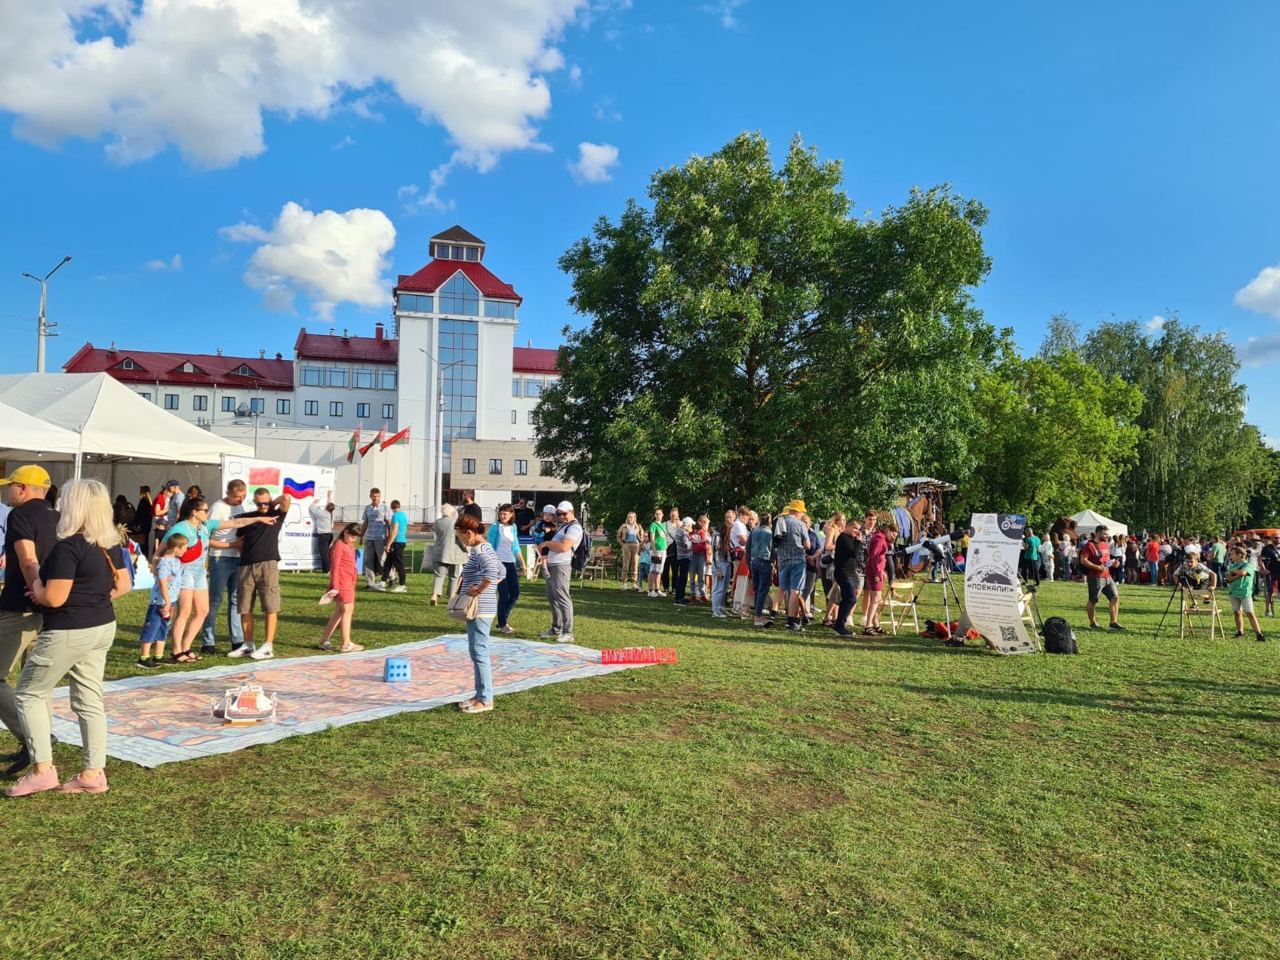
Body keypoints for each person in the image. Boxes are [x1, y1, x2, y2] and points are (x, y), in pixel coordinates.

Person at [6, 478, 132, 798]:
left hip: (68, 629)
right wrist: (90, 600)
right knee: (89, 700)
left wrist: (36, 586)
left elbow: (54, 599)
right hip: (101, 625)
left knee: (29, 694)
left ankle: (43, 770)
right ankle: (93, 773)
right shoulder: (109, 543)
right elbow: (123, 587)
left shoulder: (69, 547)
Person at [163, 496, 276, 663]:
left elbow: (235, 523)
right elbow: (161, 550)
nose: (207, 513)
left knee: (202, 611)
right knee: (185, 611)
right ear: (195, 512)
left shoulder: (206, 525)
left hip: (200, 572)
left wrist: (258, 518)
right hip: (184, 571)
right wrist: (161, 571)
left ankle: (186, 647)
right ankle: (176, 650)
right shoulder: (180, 528)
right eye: (204, 510)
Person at [0, 465, 59, 778]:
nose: (8, 491)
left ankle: (33, 738)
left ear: (23, 488)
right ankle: (39, 745)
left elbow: (27, 559)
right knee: (38, 683)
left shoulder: (19, 515)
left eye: (12, 486)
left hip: (21, 606)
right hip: (52, 608)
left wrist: (36, 588)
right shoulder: (59, 516)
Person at [229, 488, 292, 660]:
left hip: (268, 564)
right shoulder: (246, 517)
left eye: (266, 502)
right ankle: (248, 644)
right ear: (254, 502)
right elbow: (238, 538)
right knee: (244, 606)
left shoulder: (276, 514)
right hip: (245, 565)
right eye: (259, 503)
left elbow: (286, 498)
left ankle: (268, 646)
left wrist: (272, 504)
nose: (263, 506)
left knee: (270, 606)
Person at [454, 512, 506, 713]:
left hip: (481, 608)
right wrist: (488, 587)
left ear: (468, 533)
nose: (459, 539)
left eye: (459, 536)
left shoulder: (480, 551)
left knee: (479, 652)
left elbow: (492, 574)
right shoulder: (486, 549)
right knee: (476, 652)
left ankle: (486, 699)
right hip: (480, 607)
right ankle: (479, 694)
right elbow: (501, 572)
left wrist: (480, 589)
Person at [203, 480, 248, 655]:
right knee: (214, 601)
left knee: (236, 600)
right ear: (228, 493)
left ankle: (237, 640)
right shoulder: (217, 508)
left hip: (238, 558)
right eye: (237, 496)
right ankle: (208, 641)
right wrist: (232, 546)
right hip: (220, 558)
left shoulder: (241, 508)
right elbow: (206, 537)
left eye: (243, 496)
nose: (240, 500)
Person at [137, 534, 186, 668]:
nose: (185, 551)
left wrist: (171, 601)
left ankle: (159, 655)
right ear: (176, 548)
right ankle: (143, 657)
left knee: (163, 628)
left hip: (171, 601)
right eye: (184, 548)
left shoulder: (177, 561)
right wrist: (167, 602)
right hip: (160, 602)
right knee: (152, 627)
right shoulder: (164, 563)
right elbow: (163, 584)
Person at [540, 501, 583, 643]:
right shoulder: (564, 526)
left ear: (572, 512)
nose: (561, 516)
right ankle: (556, 627)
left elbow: (564, 547)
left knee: (563, 598)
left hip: (561, 566)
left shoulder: (574, 528)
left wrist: (546, 544)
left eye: (564, 513)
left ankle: (568, 632)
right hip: (552, 565)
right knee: (553, 598)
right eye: (559, 514)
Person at [319, 524, 364, 653]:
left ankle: (324, 640)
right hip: (343, 584)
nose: (353, 539)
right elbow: (335, 567)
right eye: (352, 536)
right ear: (345, 532)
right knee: (347, 611)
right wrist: (335, 586)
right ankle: (346, 643)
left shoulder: (349, 545)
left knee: (339, 612)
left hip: (348, 582)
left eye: (356, 538)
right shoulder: (338, 546)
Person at [487, 503, 527, 635]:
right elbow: (490, 546)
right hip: (498, 563)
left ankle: (502, 618)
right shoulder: (495, 527)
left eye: (505, 513)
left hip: (510, 563)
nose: (503, 515)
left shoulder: (513, 527)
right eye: (501, 513)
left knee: (514, 594)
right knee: (504, 594)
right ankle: (502, 624)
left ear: (511, 515)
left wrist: (522, 563)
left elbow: (515, 546)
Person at [1080, 524, 1124, 631]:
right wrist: (1097, 567)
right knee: (1093, 600)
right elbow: (1083, 560)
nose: (1106, 536)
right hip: (1095, 577)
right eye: (1104, 534)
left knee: (1115, 597)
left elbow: (1106, 560)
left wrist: (1113, 564)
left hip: (1107, 576)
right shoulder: (1089, 545)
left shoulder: (1106, 544)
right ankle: (1093, 623)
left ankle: (1113, 623)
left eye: (1107, 534)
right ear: (1097, 533)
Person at [773, 500, 809, 632]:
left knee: (783, 588)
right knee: (795, 591)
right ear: (797, 512)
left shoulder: (780, 522)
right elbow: (808, 544)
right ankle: (791, 621)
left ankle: (773, 614)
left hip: (783, 561)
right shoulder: (800, 524)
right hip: (798, 560)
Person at [1224, 544, 1266, 642]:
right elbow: (1228, 578)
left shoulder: (1248, 565)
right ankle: (1240, 632)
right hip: (1233, 592)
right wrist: (1236, 573)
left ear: (1240, 555)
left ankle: (1259, 634)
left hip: (1245, 593)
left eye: (1232, 554)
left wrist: (1234, 572)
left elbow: (1243, 573)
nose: (1230, 556)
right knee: (1237, 612)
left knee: (1250, 613)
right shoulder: (1233, 565)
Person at [428, 504, 468, 605]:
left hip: (439, 552)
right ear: (451, 512)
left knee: (439, 575)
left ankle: (434, 595)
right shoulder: (455, 523)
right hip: (454, 554)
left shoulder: (437, 523)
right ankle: (451, 597)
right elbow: (459, 538)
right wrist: (466, 548)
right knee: (453, 576)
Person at [832, 517, 865, 638]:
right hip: (843, 573)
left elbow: (854, 554)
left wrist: (857, 541)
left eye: (858, 529)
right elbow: (854, 553)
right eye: (855, 528)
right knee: (851, 599)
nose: (856, 531)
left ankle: (839, 623)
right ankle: (840, 624)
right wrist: (859, 541)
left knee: (848, 599)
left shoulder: (851, 538)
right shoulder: (843, 538)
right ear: (848, 526)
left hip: (850, 573)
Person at [861, 519, 893, 635]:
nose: (894, 535)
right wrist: (876, 574)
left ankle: (875, 624)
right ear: (887, 530)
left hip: (878, 571)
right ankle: (868, 625)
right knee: (875, 600)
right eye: (893, 532)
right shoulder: (879, 538)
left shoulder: (880, 537)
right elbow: (873, 557)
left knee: (876, 599)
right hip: (875, 572)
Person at [359, 488, 392, 590]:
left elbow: (389, 524)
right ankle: (370, 583)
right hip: (369, 538)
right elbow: (365, 523)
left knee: (383, 560)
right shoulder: (367, 508)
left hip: (380, 538)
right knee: (368, 561)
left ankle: (391, 578)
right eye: (373, 496)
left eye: (377, 496)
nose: (375, 498)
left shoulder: (385, 508)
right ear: (370, 496)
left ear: (380, 496)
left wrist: (389, 538)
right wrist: (361, 535)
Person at [748, 511, 775, 627]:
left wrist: (749, 562)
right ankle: (758, 616)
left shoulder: (754, 531)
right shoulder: (770, 533)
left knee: (756, 588)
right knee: (763, 590)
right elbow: (773, 550)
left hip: (754, 560)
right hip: (765, 561)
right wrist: (774, 564)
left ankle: (757, 614)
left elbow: (747, 548)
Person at [711, 509, 736, 619]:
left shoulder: (731, 532)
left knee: (724, 588)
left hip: (727, 562)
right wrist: (717, 568)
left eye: (730, 517)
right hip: (720, 563)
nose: (728, 520)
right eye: (727, 517)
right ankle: (716, 610)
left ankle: (721, 608)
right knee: (719, 588)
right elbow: (715, 552)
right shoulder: (718, 534)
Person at [382, 499, 409, 592]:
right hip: (401, 541)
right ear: (399, 506)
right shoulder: (404, 515)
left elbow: (394, 531)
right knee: (388, 562)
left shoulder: (395, 516)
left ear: (391, 508)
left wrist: (388, 544)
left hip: (397, 542)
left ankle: (402, 585)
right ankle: (382, 582)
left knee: (399, 564)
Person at [150, 479, 183, 554]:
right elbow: (157, 512)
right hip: (160, 525)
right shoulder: (160, 498)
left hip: (165, 525)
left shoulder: (168, 499)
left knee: (162, 544)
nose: (171, 493)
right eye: (168, 490)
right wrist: (168, 510)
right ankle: (156, 558)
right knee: (160, 544)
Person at [310, 494, 336, 574]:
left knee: (323, 553)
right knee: (326, 552)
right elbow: (329, 504)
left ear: (327, 507)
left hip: (323, 535)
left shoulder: (322, 513)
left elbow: (312, 509)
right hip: (329, 534)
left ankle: (327, 570)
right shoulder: (330, 514)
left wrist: (314, 503)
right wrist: (329, 495)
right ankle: (328, 568)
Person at [616, 512, 642, 590]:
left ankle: (634, 583)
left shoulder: (638, 526)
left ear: (634, 518)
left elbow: (642, 536)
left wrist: (640, 544)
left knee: (635, 564)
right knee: (625, 564)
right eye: (628, 517)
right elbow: (618, 535)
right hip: (626, 545)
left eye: (631, 517)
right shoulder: (624, 526)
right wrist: (622, 544)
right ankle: (624, 583)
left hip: (635, 545)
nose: (629, 519)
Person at [646, 509, 668, 598]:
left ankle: (657, 589)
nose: (658, 515)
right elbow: (652, 539)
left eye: (659, 514)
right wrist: (654, 550)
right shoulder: (653, 525)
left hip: (663, 550)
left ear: (662, 515)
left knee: (659, 570)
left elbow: (664, 538)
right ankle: (650, 590)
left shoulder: (663, 525)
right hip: (656, 550)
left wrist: (665, 547)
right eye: (656, 514)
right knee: (653, 569)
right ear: (655, 515)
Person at [671, 517, 692, 606]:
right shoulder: (684, 532)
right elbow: (688, 545)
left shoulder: (679, 531)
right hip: (685, 557)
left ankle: (680, 596)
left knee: (682, 578)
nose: (691, 527)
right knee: (683, 578)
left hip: (680, 556)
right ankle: (679, 599)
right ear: (688, 525)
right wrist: (692, 541)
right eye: (691, 525)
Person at [661, 507, 681, 594]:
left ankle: (674, 588)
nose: (674, 517)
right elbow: (662, 535)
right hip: (666, 547)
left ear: (678, 515)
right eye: (672, 515)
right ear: (670, 515)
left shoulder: (681, 524)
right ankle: (666, 587)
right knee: (665, 568)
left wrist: (678, 526)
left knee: (675, 569)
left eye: (675, 515)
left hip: (677, 548)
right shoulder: (665, 524)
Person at [130, 485, 154, 557]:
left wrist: (134, 523)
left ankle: (141, 558)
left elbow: (139, 515)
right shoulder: (149, 502)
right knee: (145, 545)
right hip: (146, 527)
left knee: (140, 546)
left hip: (141, 528)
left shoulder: (143, 502)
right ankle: (145, 558)